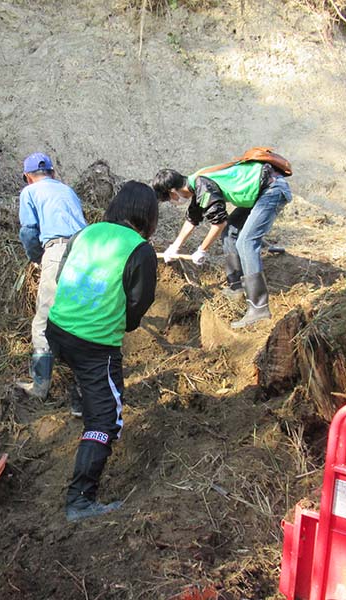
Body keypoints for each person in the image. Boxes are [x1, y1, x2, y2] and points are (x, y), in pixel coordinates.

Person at [46, 181, 158, 521]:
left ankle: (80, 397)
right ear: (148, 216)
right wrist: (123, 323)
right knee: (105, 420)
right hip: (94, 345)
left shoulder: (86, 232)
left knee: (84, 378)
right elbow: (140, 301)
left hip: (57, 329)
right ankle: (80, 500)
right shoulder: (140, 249)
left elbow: (63, 273)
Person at [152, 158, 291, 328]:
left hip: (271, 190)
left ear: (173, 191)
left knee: (246, 242)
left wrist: (202, 250)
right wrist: (175, 247)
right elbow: (192, 219)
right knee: (231, 231)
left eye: (169, 199)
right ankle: (237, 287)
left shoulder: (203, 185)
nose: (172, 203)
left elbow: (218, 223)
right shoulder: (197, 182)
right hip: (259, 191)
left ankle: (259, 307)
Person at [15, 152, 87, 407]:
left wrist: (36, 256)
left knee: (45, 320)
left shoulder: (29, 193)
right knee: (79, 319)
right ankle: (84, 389)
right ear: (54, 173)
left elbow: (29, 230)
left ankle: (39, 387)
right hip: (85, 251)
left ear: (28, 177)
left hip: (57, 251)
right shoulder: (68, 191)